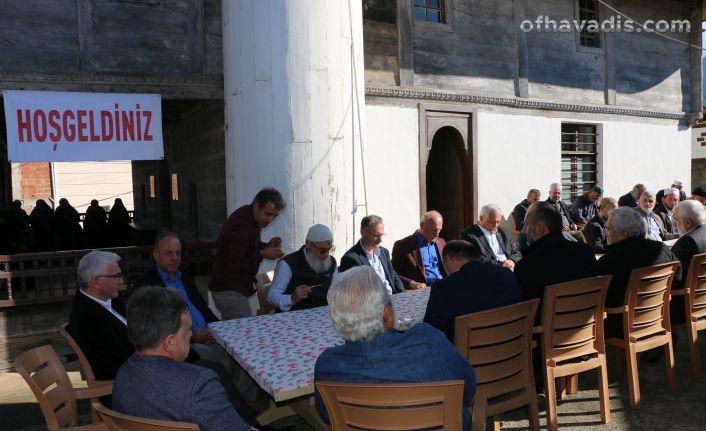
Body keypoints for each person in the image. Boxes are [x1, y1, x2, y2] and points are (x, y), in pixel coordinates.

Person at [314, 266, 476, 430]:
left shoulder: (327, 365)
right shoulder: (429, 342)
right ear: (387, 313)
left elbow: (328, 414)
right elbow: (468, 388)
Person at [112, 287, 253, 431]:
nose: (191, 335)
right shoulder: (199, 384)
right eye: (188, 330)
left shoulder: (122, 375)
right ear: (170, 342)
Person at [133, 232, 231, 371]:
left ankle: (235, 390)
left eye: (178, 253)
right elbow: (156, 330)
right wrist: (193, 337)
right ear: (156, 255)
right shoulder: (147, 285)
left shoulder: (184, 275)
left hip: (208, 334)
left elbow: (202, 306)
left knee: (242, 354)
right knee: (222, 363)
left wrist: (217, 328)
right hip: (184, 345)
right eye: (168, 253)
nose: (174, 258)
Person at [596, 208, 680, 338]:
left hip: (622, 323)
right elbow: (678, 276)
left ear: (624, 234)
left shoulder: (610, 260)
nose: (605, 233)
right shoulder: (661, 249)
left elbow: (600, 297)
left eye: (608, 228)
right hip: (658, 315)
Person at [209, 188, 286, 319]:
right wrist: (262, 253)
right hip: (228, 290)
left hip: (230, 288)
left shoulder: (249, 218)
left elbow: (247, 247)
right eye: (267, 214)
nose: (270, 220)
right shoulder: (242, 225)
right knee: (239, 334)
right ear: (256, 205)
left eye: (274, 216)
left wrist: (266, 245)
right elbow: (236, 265)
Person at [423, 240, 522, 342]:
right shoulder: (506, 274)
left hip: (467, 353)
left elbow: (429, 328)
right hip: (512, 345)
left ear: (448, 259)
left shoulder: (443, 288)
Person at [514, 201, 597, 316]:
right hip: (586, 328)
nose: (523, 231)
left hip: (546, 332)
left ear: (539, 228)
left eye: (526, 225)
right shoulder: (586, 252)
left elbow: (524, 312)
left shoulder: (527, 265)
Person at [67, 251, 133, 381]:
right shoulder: (88, 319)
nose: (121, 281)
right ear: (96, 282)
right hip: (122, 388)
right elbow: (117, 365)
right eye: (117, 276)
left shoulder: (106, 300)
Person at [267, 224, 337, 311]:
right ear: (308, 244)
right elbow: (272, 296)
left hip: (323, 317)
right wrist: (291, 298)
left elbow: (336, 291)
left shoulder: (331, 263)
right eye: (322, 251)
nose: (327, 255)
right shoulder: (287, 264)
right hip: (292, 318)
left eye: (329, 249)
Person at [339, 215, 404, 294]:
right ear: (363, 232)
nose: (380, 240)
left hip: (393, 299)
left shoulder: (384, 252)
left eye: (382, 235)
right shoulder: (350, 258)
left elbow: (393, 276)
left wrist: (402, 294)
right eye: (376, 236)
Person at [670, 200, 706, 324]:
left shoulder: (688, 242)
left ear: (688, 222)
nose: (674, 224)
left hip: (685, 304)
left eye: (676, 219)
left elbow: (676, 279)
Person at [391, 211, 446, 290]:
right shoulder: (403, 245)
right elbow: (393, 274)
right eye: (433, 230)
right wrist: (411, 283)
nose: (437, 234)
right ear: (422, 225)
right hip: (423, 290)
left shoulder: (441, 242)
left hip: (444, 286)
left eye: (439, 230)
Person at [460, 204, 521, 270]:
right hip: (488, 272)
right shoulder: (469, 235)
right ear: (481, 218)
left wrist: (512, 260)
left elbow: (516, 252)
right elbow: (475, 259)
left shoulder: (503, 231)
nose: (496, 225)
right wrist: (502, 264)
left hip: (510, 268)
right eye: (492, 222)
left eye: (498, 222)